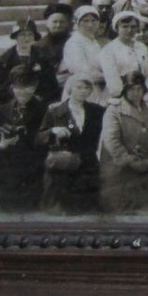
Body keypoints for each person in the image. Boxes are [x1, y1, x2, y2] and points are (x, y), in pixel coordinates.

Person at [39, 73, 105, 215]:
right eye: (79, 87)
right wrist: (53, 131)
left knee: (87, 212)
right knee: (62, 212)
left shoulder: (97, 111)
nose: (83, 91)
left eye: (87, 88)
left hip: (88, 167)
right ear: (70, 89)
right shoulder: (55, 111)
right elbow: (39, 138)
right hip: (63, 167)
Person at [98, 70, 148, 213]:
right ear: (125, 90)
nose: (136, 92)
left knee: (142, 210)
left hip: (144, 167)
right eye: (131, 89)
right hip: (120, 169)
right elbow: (111, 140)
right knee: (121, 211)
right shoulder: (114, 110)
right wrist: (129, 160)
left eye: (139, 88)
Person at [0, 65, 48, 211]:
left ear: (35, 87)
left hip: (33, 160)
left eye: (27, 87)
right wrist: (1, 144)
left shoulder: (44, 110)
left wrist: (26, 135)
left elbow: (45, 138)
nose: (22, 92)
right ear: (12, 88)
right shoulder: (3, 110)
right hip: (9, 160)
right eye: (18, 87)